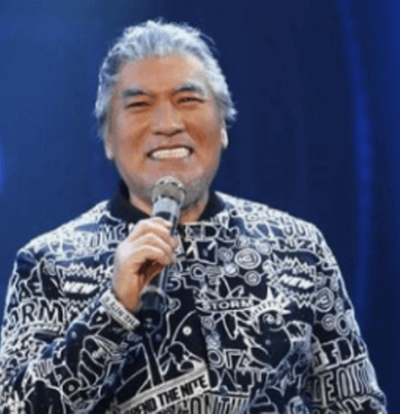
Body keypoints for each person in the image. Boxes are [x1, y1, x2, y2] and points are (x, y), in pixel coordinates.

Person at [0, 20, 387, 414]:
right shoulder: (49, 264)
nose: (168, 124)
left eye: (187, 100)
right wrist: (113, 311)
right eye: (139, 105)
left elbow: (357, 404)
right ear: (108, 139)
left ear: (223, 126)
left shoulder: (299, 246)